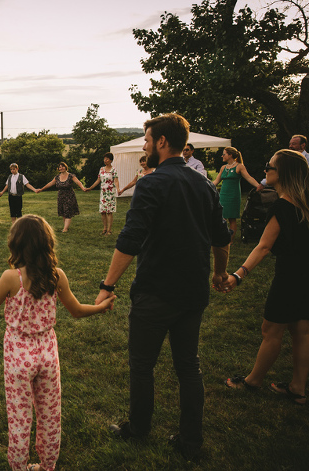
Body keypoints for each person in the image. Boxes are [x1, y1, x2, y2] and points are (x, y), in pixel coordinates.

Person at [96, 114, 231, 460]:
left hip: (155, 292)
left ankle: (138, 428)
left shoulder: (152, 184)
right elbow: (221, 238)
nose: (143, 144)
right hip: (193, 293)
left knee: (142, 364)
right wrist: (219, 273)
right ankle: (191, 441)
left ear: (161, 142)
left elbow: (130, 240)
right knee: (189, 365)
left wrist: (107, 284)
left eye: (146, 139)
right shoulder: (204, 185)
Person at [0, 215, 114, 471]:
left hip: (18, 355)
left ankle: (19, 467)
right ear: (47, 243)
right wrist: (102, 306)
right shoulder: (56, 276)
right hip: (48, 353)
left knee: (20, 418)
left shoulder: (11, 278)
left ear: (16, 244)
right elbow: (77, 310)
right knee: (50, 416)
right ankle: (47, 466)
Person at [222, 150, 309, 406]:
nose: (265, 169)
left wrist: (239, 274)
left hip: (289, 277)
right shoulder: (304, 204)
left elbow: (263, 246)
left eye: (269, 165)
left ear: (282, 173)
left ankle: (253, 380)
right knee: (302, 331)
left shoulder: (282, 206)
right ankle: (298, 388)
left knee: (271, 331)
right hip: (306, 275)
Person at [212, 146, 261, 241]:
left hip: (233, 195)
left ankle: (230, 240)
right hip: (223, 195)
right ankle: (221, 236)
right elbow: (216, 181)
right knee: (221, 216)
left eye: (224, 154)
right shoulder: (223, 168)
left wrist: (258, 185)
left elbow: (249, 178)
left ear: (230, 155)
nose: (222, 156)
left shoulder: (239, 166)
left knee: (232, 218)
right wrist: (206, 186)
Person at [40, 162, 86, 233]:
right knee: (63, 212)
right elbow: (50, 183)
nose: (61, 168)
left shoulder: (71, 176)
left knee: (68, 212)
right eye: (60, 167)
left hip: (69, 196)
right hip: (61, 196)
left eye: (63, 166)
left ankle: (65, 229)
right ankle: (65, 226)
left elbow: (78, 182)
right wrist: (42, 189)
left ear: (66, 167)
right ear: (58, 169)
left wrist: (83, 188)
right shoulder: (57, 177)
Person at [86, 153, 120, 235]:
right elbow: (98, 180)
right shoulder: (101, 169)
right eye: (104, 159)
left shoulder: (113, 170)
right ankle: (104, 229)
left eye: (107, 159)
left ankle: (109, 230)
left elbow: (116, 180)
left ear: (111, 160)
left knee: (109, 211)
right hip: (103, 193)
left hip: (110, 192)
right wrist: (90, 188)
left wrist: (118, 189)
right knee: (103, 211)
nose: (105, 160)